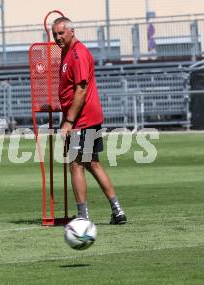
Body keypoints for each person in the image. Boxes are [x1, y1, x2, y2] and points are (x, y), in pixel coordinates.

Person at [52, 17, 127, 224]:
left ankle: (83, 216)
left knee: (76, 164)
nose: (57, 37)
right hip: (83, 118)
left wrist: (69, 120)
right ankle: (117, 210)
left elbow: (81, 90)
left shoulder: (77, 53)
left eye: (61, 33)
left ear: (71, 31)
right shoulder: (68, 53)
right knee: (92, 163)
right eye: (55, 34)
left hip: (82, 119)